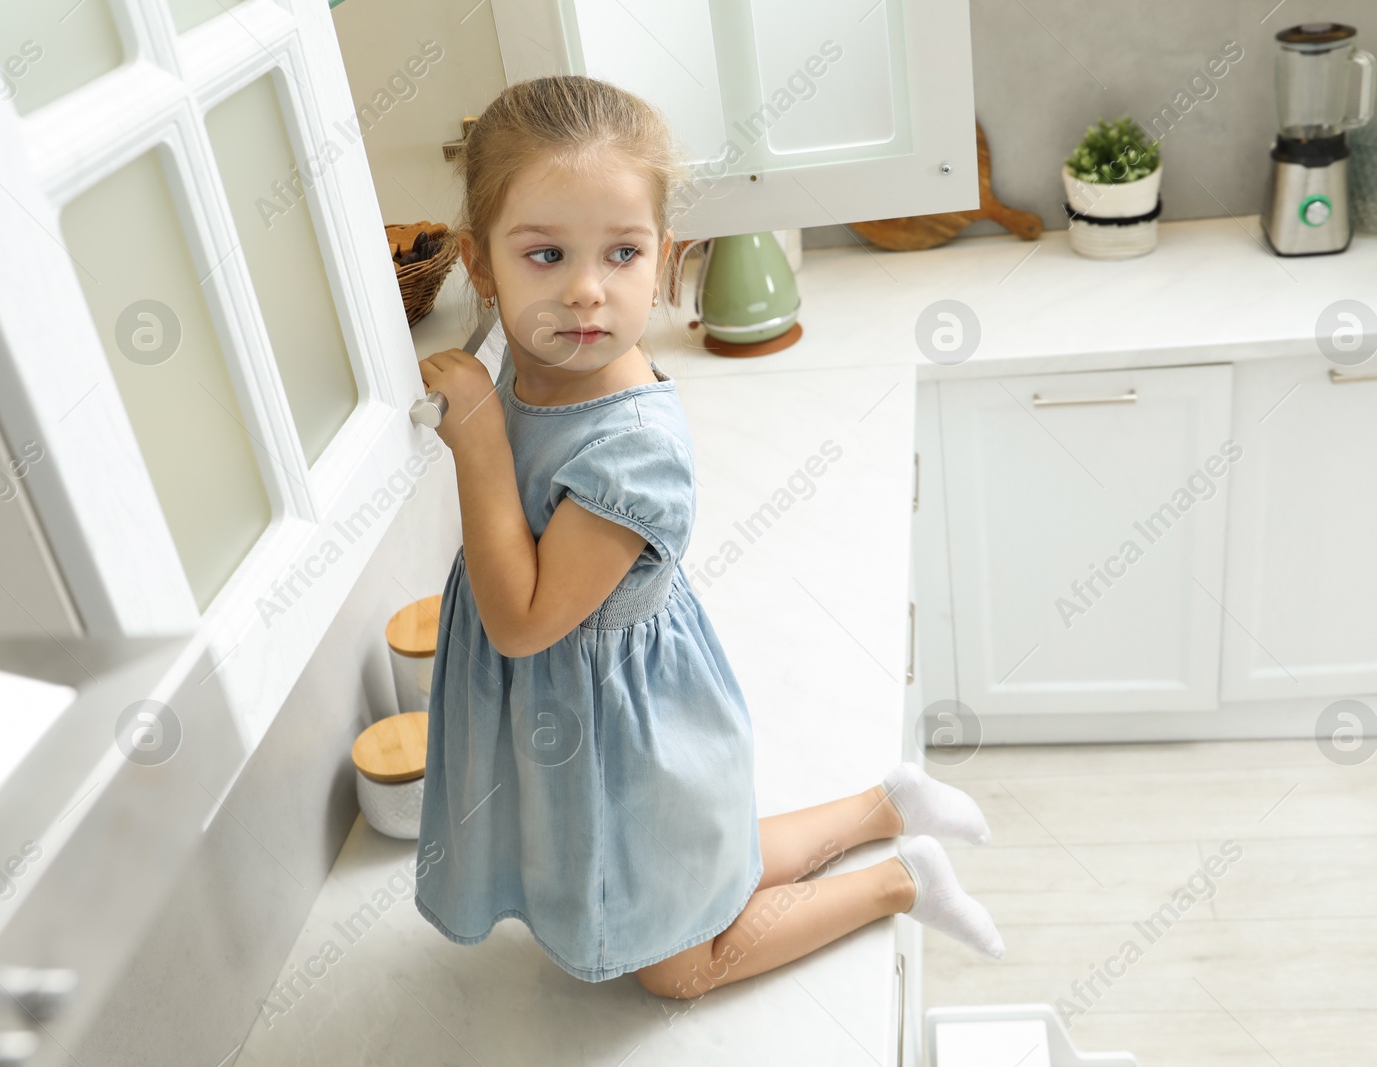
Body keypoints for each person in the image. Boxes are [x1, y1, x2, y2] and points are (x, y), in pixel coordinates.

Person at [413, 74, 1004, 999]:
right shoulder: (531, 359)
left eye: (621, 253)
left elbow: (525, 622)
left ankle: (902, 880)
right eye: (544, 255)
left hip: (630, 726)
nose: (584, 291)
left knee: (679, 967)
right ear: (479, 267)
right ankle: (889, 803)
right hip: (587, 717)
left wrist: (481, 444)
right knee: (706, 871)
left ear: (665, 258)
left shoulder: (633, 450)